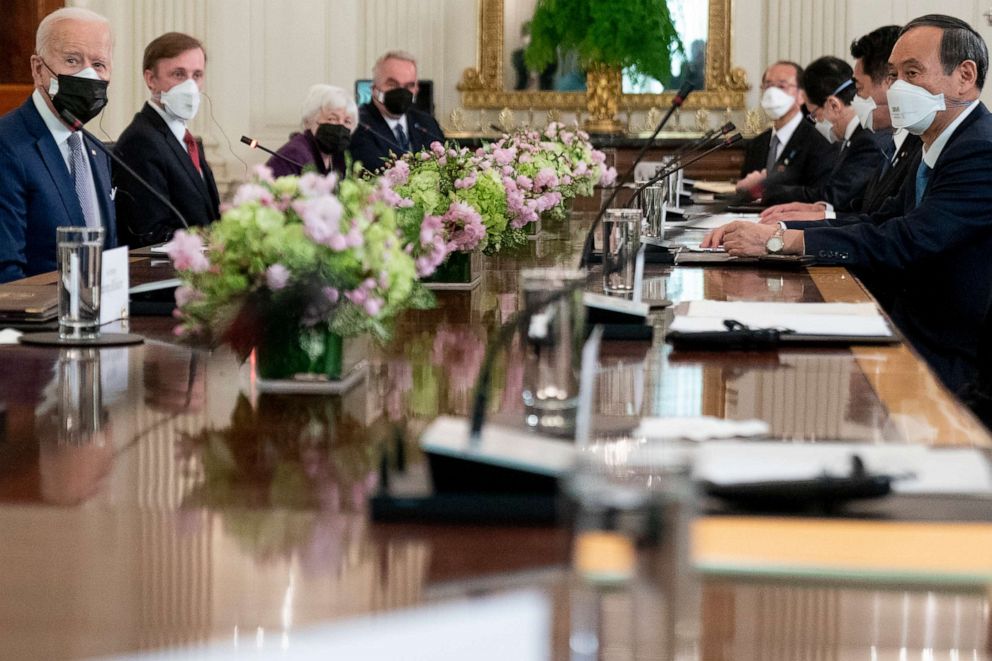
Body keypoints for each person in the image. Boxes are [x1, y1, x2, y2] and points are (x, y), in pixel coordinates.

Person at [703, 15, 992, 394]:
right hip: (905, 326)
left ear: (965, 76)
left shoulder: (979, 150)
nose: (898, 88)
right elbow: (879, 219)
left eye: (912, 72)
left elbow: (907, 238)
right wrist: (781, 231)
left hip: (945, 357)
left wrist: (781, 241)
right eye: (894, 75)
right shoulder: (937, 143)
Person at [0, 7, 117, 283]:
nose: (88, 75)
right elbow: (6, 272)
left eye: (98, 65)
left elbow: (106, 254)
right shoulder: (7, 145)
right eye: (73, 60)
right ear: (38, 69)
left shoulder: (97, 151)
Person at [759, 26, 921, 224]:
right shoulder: (893, 141)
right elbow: (871, 213)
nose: (856, 99)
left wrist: (800, 229)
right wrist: (817, 211)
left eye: (859, 89)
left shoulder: (883, 141)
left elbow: (886, 225)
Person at [114, 32, 220, 247]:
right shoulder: (141, 141)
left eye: (197, 75)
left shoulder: (187, 139)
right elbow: (150, 233)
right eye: (179, 75)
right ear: (151, 79)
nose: (190, 87)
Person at [760, 55, 891, 210]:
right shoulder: (853, 140)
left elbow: (835, 197)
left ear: (834, 105)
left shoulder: (866, 141)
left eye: (814, 115)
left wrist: (770, 191)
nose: (816, 123)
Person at [737, 61, 837, 202]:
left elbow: (817, 196)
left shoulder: (819, 144)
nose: (772, 93)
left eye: (782, 86)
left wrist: (761, 188)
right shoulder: (757, 144)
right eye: (768, 86)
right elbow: (745, 192)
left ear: (802, 95)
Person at [349, 50, 445, 173]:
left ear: (416, 89)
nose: (401, 92)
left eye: (409, 86)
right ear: (374, 89)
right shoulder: (357, 124)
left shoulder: (427, 123)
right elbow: (373, 169)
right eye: (392, 85)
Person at [267, 84, 357, 178]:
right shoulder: (295, 154)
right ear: (309, 120)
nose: (340, 126)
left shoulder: (337, 157)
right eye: (332, 119)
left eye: (347, 121)